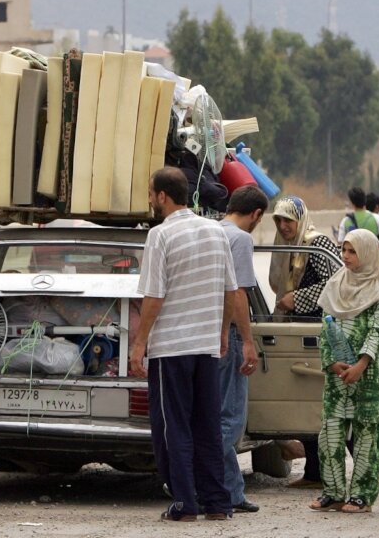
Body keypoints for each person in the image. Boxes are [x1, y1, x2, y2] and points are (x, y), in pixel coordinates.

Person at [130, 167, 237, 522]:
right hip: (206, 347)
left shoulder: (160, 236)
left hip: (171, 348)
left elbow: (154, 296)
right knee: (207, 425)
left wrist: (139, 343)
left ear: (162, 196)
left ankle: (185, 503)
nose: (150, 199)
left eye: (151, 193)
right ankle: (218, 503)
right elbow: (229, 290)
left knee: (173, 426)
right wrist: (222, 333)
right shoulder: (215, 231)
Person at [307, 229, 379, 514]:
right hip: (337, 377)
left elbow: (378, 332)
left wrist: (361, 365)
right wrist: (331, 362)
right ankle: (332, 492)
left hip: (365, 377)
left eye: (352, 251)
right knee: (329, 434)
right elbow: (325, 328)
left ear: (367, 253)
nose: (345, 256)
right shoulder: (335, 285)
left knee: (366, 436)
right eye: (343, 250)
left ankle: (362, 496)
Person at [269, 195, 342, 489]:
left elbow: (335, 282)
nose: (284, 226)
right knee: (305, 402)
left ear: (301, 219)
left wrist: (297, 299)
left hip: (320, 331)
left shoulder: (318, 242)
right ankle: (315, 472)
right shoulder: (287, 246)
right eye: (279, 220)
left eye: (289, 220)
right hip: (297, 332)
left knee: (325, 402)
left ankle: (378, 467)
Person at [218, 185, 268, 514]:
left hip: (203, 334)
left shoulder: (209, 229)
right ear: (256, 215)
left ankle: (232, 490)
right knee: (231, 420)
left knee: (210, 413)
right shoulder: (240, 239)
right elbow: (237, 293)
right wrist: (247, 341)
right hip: (229, 334)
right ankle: (207, 483)